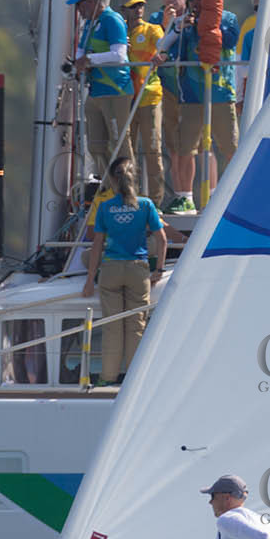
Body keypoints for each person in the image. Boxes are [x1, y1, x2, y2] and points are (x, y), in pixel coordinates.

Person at [81, 156, 167, 385]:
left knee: (112, 327)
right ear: (134, 177)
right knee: (136, 326)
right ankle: (133, 380)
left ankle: (107, 377)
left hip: (111, 269)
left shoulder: (105, 207)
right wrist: (158, 269)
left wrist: (90, 280)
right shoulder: (146, 205)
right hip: (138, 270)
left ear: (113, 180)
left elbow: (97, 245)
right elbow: (162, 239)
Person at [158, 0, 240, 211]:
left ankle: (235, 196)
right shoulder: (184, 22)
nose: (196, 3)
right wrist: (178, 29)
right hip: (192, 96)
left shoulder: (228, 18)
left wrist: (205, 24)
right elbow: (165, 48)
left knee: (230, 147)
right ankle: (185, 198)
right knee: (186, 148)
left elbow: (229, 41)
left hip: (221, 94)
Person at [68, 0, 133, 178]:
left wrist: (89, 60)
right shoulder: (89, 23)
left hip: (115, 90)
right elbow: (81, 51)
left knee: (119, 142)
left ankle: (128, 187)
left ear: (91, 2)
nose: (78, 11)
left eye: (79, 5)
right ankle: (108, 185)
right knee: (96, 145)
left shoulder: (112, 20)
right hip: (96, 91)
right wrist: (78, 63)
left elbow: (119, 55)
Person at [120, 0, 166, 207]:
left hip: (149, 97)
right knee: (126, 153)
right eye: (133, 6)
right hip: (126, 99)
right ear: (123, 10)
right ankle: (131, 198)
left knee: (152, 150)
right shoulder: (120, 32)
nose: (138, 10)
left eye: (140, 5)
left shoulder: (152, 30)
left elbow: (165, 47)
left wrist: (163, 54)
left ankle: (155, 202)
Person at [149, 0, 185, 208]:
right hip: (168, 89)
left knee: (199, 146)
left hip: (191, 88)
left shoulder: (193, 17)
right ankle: (180, 195)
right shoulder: (155, 19)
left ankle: (210, 196)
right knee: (173, 146)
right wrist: (165, 24)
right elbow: (155, 50)